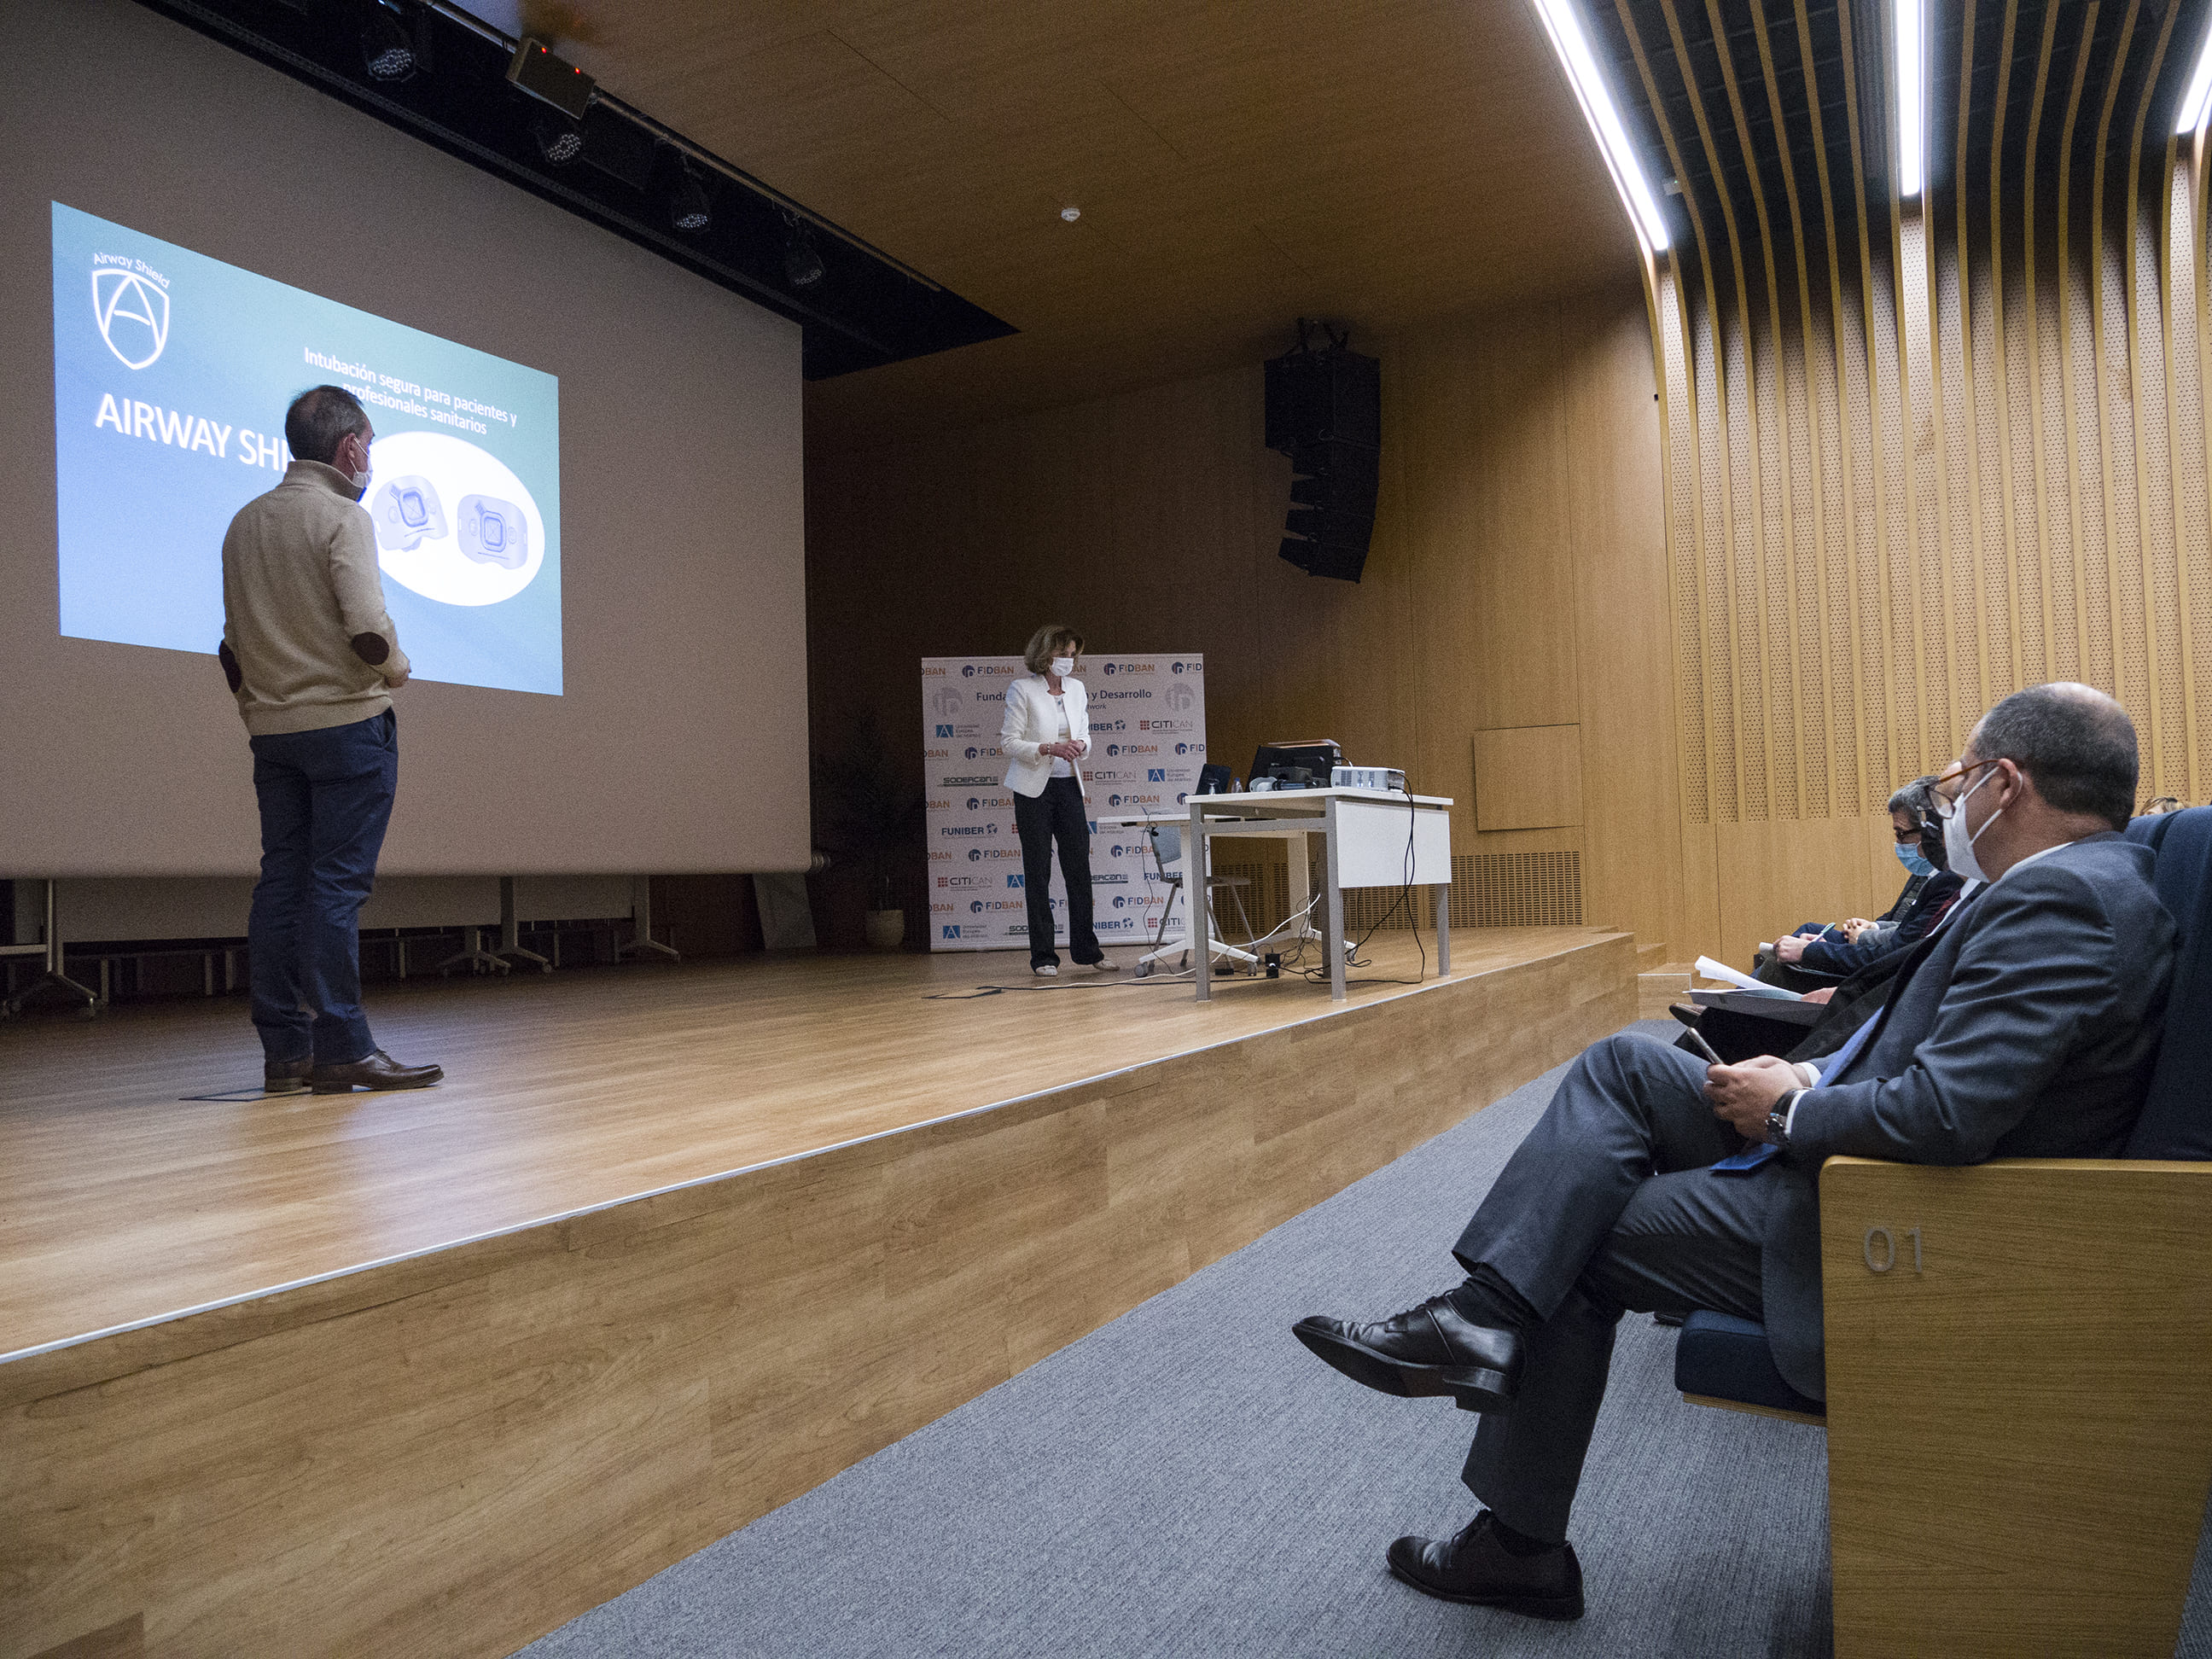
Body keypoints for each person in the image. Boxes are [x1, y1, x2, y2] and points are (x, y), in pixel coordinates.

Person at [1289, 683, 2174, 1621]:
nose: (1948, 804)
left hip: (1908, 1220)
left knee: (1580, 1230)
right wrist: (1804, 1075)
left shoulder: (2064, 901)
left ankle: (1517, 1545)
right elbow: (1920, 1050)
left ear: (2007, 781)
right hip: (1868, 1153)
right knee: (1626, 1066)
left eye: (1959, 779)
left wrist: (1789, 1114)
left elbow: (1950, 1114)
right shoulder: (2070, 884)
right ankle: (1484, 1312)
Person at [218, 386, 442, 1096]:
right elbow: (368, 628)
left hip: (272, 733)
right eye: (369, 446)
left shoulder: (244, 522)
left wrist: (261, 703)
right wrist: (399, 670)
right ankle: (343, 1046)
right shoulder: (342, 517)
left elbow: (231, 648)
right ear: (350, 448)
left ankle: (286, 1053)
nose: (370, 458)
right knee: (336, 889)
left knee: (281, 882)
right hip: (347, 728)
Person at [1000, 626, 1115, 978]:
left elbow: (1085, 733)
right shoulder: (1023, 689)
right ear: (1045, 654)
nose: (1068, 661)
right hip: (1033, 789)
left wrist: (1081, 745)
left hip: (1068, 786)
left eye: (1072, 655)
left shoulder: (1078, 689)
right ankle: (1044, 957)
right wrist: (1048, 748)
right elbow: (1009, 743)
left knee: (1079, 869)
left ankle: (1086, 949)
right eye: (1063, 654)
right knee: (1038, 873)